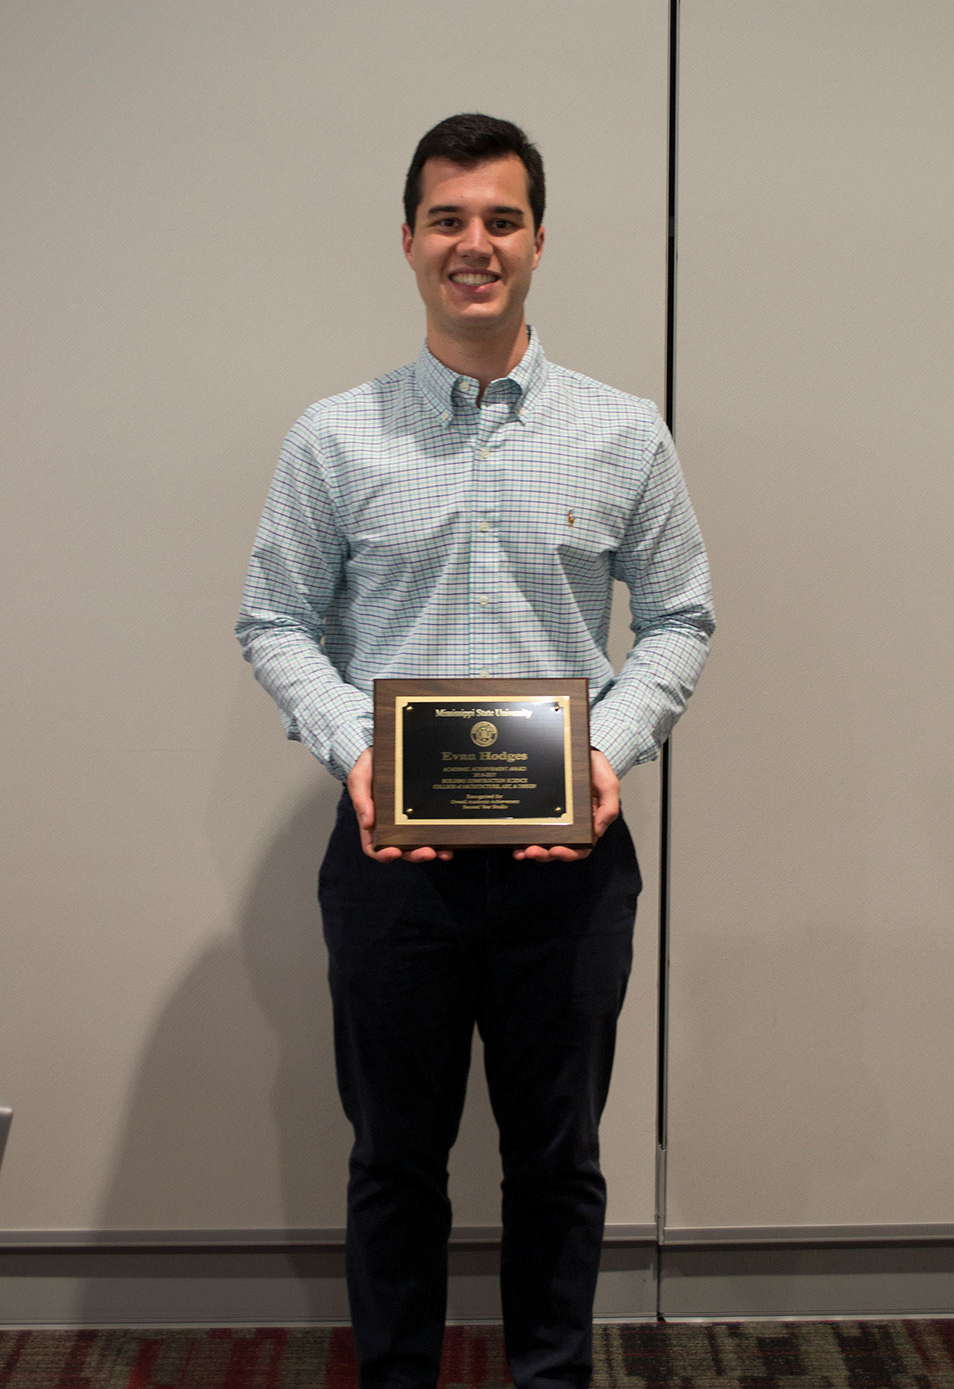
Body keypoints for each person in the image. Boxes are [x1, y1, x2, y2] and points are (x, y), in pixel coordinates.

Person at [236, 114, 713, 1389]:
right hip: (393, 865)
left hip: (571, 859)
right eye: (449, 219)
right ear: (408, 242)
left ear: (538, 242)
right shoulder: (336, 437)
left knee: (556, 1161)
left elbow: (678, 618)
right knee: (393, 1161)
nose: (474, 244)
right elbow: (274, 618)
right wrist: (354, 747)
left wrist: (608, 750)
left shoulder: (623, 432)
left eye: (500, 219)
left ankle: (549, 1379)